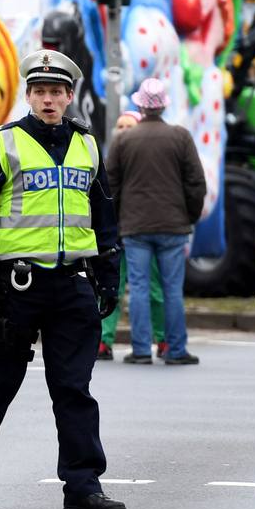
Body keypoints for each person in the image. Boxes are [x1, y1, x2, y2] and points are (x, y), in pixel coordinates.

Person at [0, 49, 125, 509]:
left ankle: (83, 487)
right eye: (40, 91)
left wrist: (109, 278)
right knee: (3, 383)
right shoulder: (3, 144)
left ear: (69, 96)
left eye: (57, 92)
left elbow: (104, 219)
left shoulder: (88, 144)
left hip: (72, 285)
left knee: (74, 390)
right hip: (17, 287)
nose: (49, 99)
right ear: (28, 94)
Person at [106, 77, 206, 365]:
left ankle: (140, 350)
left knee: (137, 288)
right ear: (163, 106)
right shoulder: (181, 137)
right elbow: (196, 183)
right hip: (174, 226)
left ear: (140, 105)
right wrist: (189, 215)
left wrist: (117, 222)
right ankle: (175, 350)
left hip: (135, 227)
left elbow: (112, 187)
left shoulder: (124, 140)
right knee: (172, 289)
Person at [98, 111, 166, 361]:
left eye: (129, 126)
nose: (123, 131)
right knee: (109, 289)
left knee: (154, 290)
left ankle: (162, 338)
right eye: (120, 126)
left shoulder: (146, 162)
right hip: (115, 237)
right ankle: (103, 342)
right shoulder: (105, 161)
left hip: (142, 233)